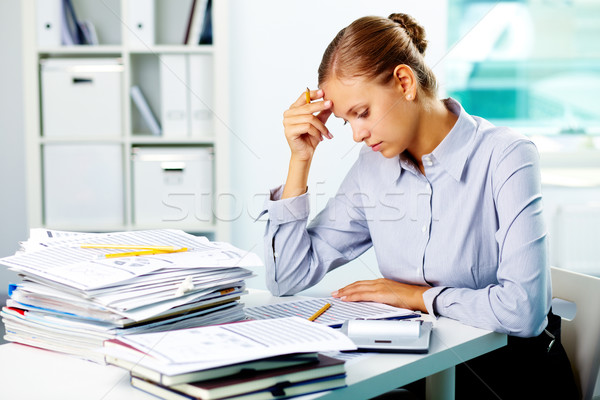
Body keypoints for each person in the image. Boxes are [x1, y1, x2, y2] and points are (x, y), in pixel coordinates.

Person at [261, 12, 577, 399]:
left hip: (510, 378)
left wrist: (414, 296)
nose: (358, 134)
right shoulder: (373, 168)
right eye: (347, 122)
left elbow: (523, 311)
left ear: (404, 82)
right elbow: (287, 277)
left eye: (362, 113)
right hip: (420, 369)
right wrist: (300, 160)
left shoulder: (507, 155)